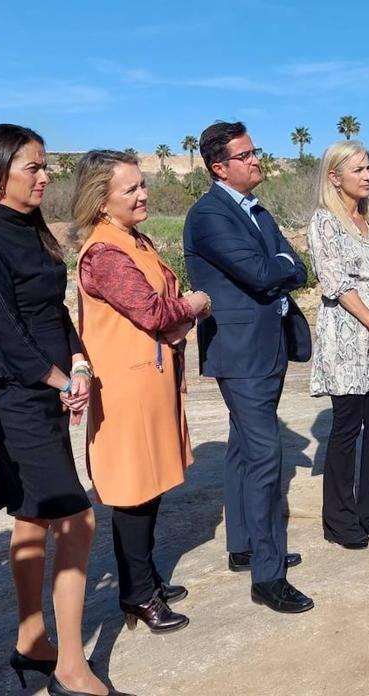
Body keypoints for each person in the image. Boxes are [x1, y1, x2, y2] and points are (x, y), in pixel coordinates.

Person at [0, 125, 117, 696]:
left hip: (47, 386)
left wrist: (78, 361)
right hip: (12, 392)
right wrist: (56, 379)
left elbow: (53, 310)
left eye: (45, 166)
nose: (45, 177)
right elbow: (2, 328)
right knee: (77, 518)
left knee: (33, 512)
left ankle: (31, 640)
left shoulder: (34, 227)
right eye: (33, 167)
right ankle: (71, 667)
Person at [72, 150, 212, 633]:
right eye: (130, 188)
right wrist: (194, 304)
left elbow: (156, 307)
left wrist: (176, 316)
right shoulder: (106, 253)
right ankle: (136, 594)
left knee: (148, 489)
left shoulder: (133, 240)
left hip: (148, 381)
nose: (143, 194)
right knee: (134, 492)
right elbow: (153, 310)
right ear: (101, 200)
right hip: (126, 388)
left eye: (142, 184)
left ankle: (145, 578)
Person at [183, 121, 313, 614]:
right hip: (240, 353)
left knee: (242, 447)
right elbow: (262, 273)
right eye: (245, 155)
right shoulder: (209, 215)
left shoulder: (257, 210)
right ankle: (268, 575)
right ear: (220, 168)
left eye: (255, 151)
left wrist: (282, 266)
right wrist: (281, 266)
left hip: (268, 345)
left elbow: (298, 266)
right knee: (264, 456)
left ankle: (244, 546)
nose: (256, 160)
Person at [307, 141, 369, 548]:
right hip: (347, 334)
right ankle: (339, 519)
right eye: (358, 169)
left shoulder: (368, 222)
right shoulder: (324, 221)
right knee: (347, 427)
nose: (368, 176)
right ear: (334, 177)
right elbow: (335, 281)